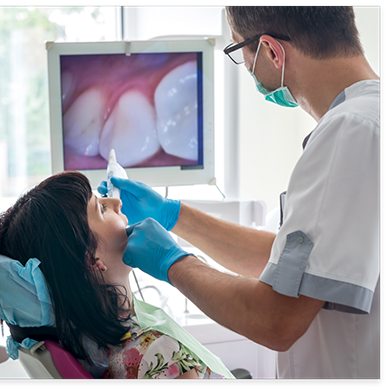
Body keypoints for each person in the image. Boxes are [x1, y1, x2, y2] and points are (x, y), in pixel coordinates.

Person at [99, 6, 380, 378]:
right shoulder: (365, 119)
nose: (247, 69)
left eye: (239, 53)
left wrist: (173, 262)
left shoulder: (350, 131)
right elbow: (292, 267)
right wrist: (174, 214)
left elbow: (277, 320)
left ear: (271, 51)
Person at [0, 171, 230, 379]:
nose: (117, 203)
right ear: (91, 258)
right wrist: (177, 262)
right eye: (101, 208)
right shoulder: (157, 352)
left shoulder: (93, 350)